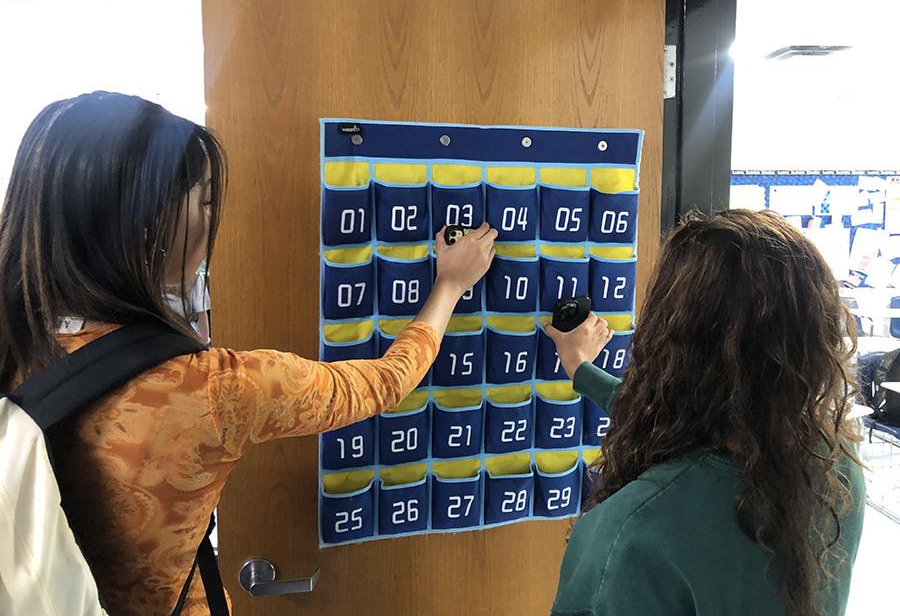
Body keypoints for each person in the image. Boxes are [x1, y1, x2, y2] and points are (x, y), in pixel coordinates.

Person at [0, 91, 497, 615]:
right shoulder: (213, 391)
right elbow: (385, 382)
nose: (216, 219)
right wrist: (450, 286)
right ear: (146, 226)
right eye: (205, 201)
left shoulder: (17, 338)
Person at [544, 209, 865, 616]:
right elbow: (684, 420)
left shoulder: (630, 532)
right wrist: (582, 371)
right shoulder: (837, 468)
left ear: (668, 341)